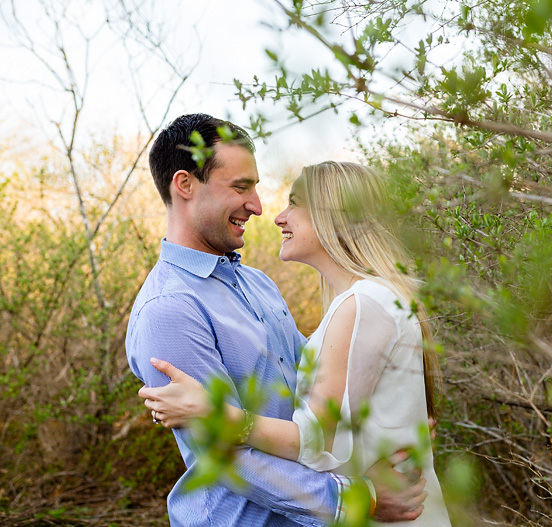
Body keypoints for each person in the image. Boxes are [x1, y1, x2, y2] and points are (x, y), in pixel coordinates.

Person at [126, 114, 426, 527]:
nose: (258, 206)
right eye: (240, 187)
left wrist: (392, 417)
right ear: (185, 185)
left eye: (255, 187)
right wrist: (359, 500)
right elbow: (226, 456)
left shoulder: (258, 283)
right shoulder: (170, 309)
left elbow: (322, 388)